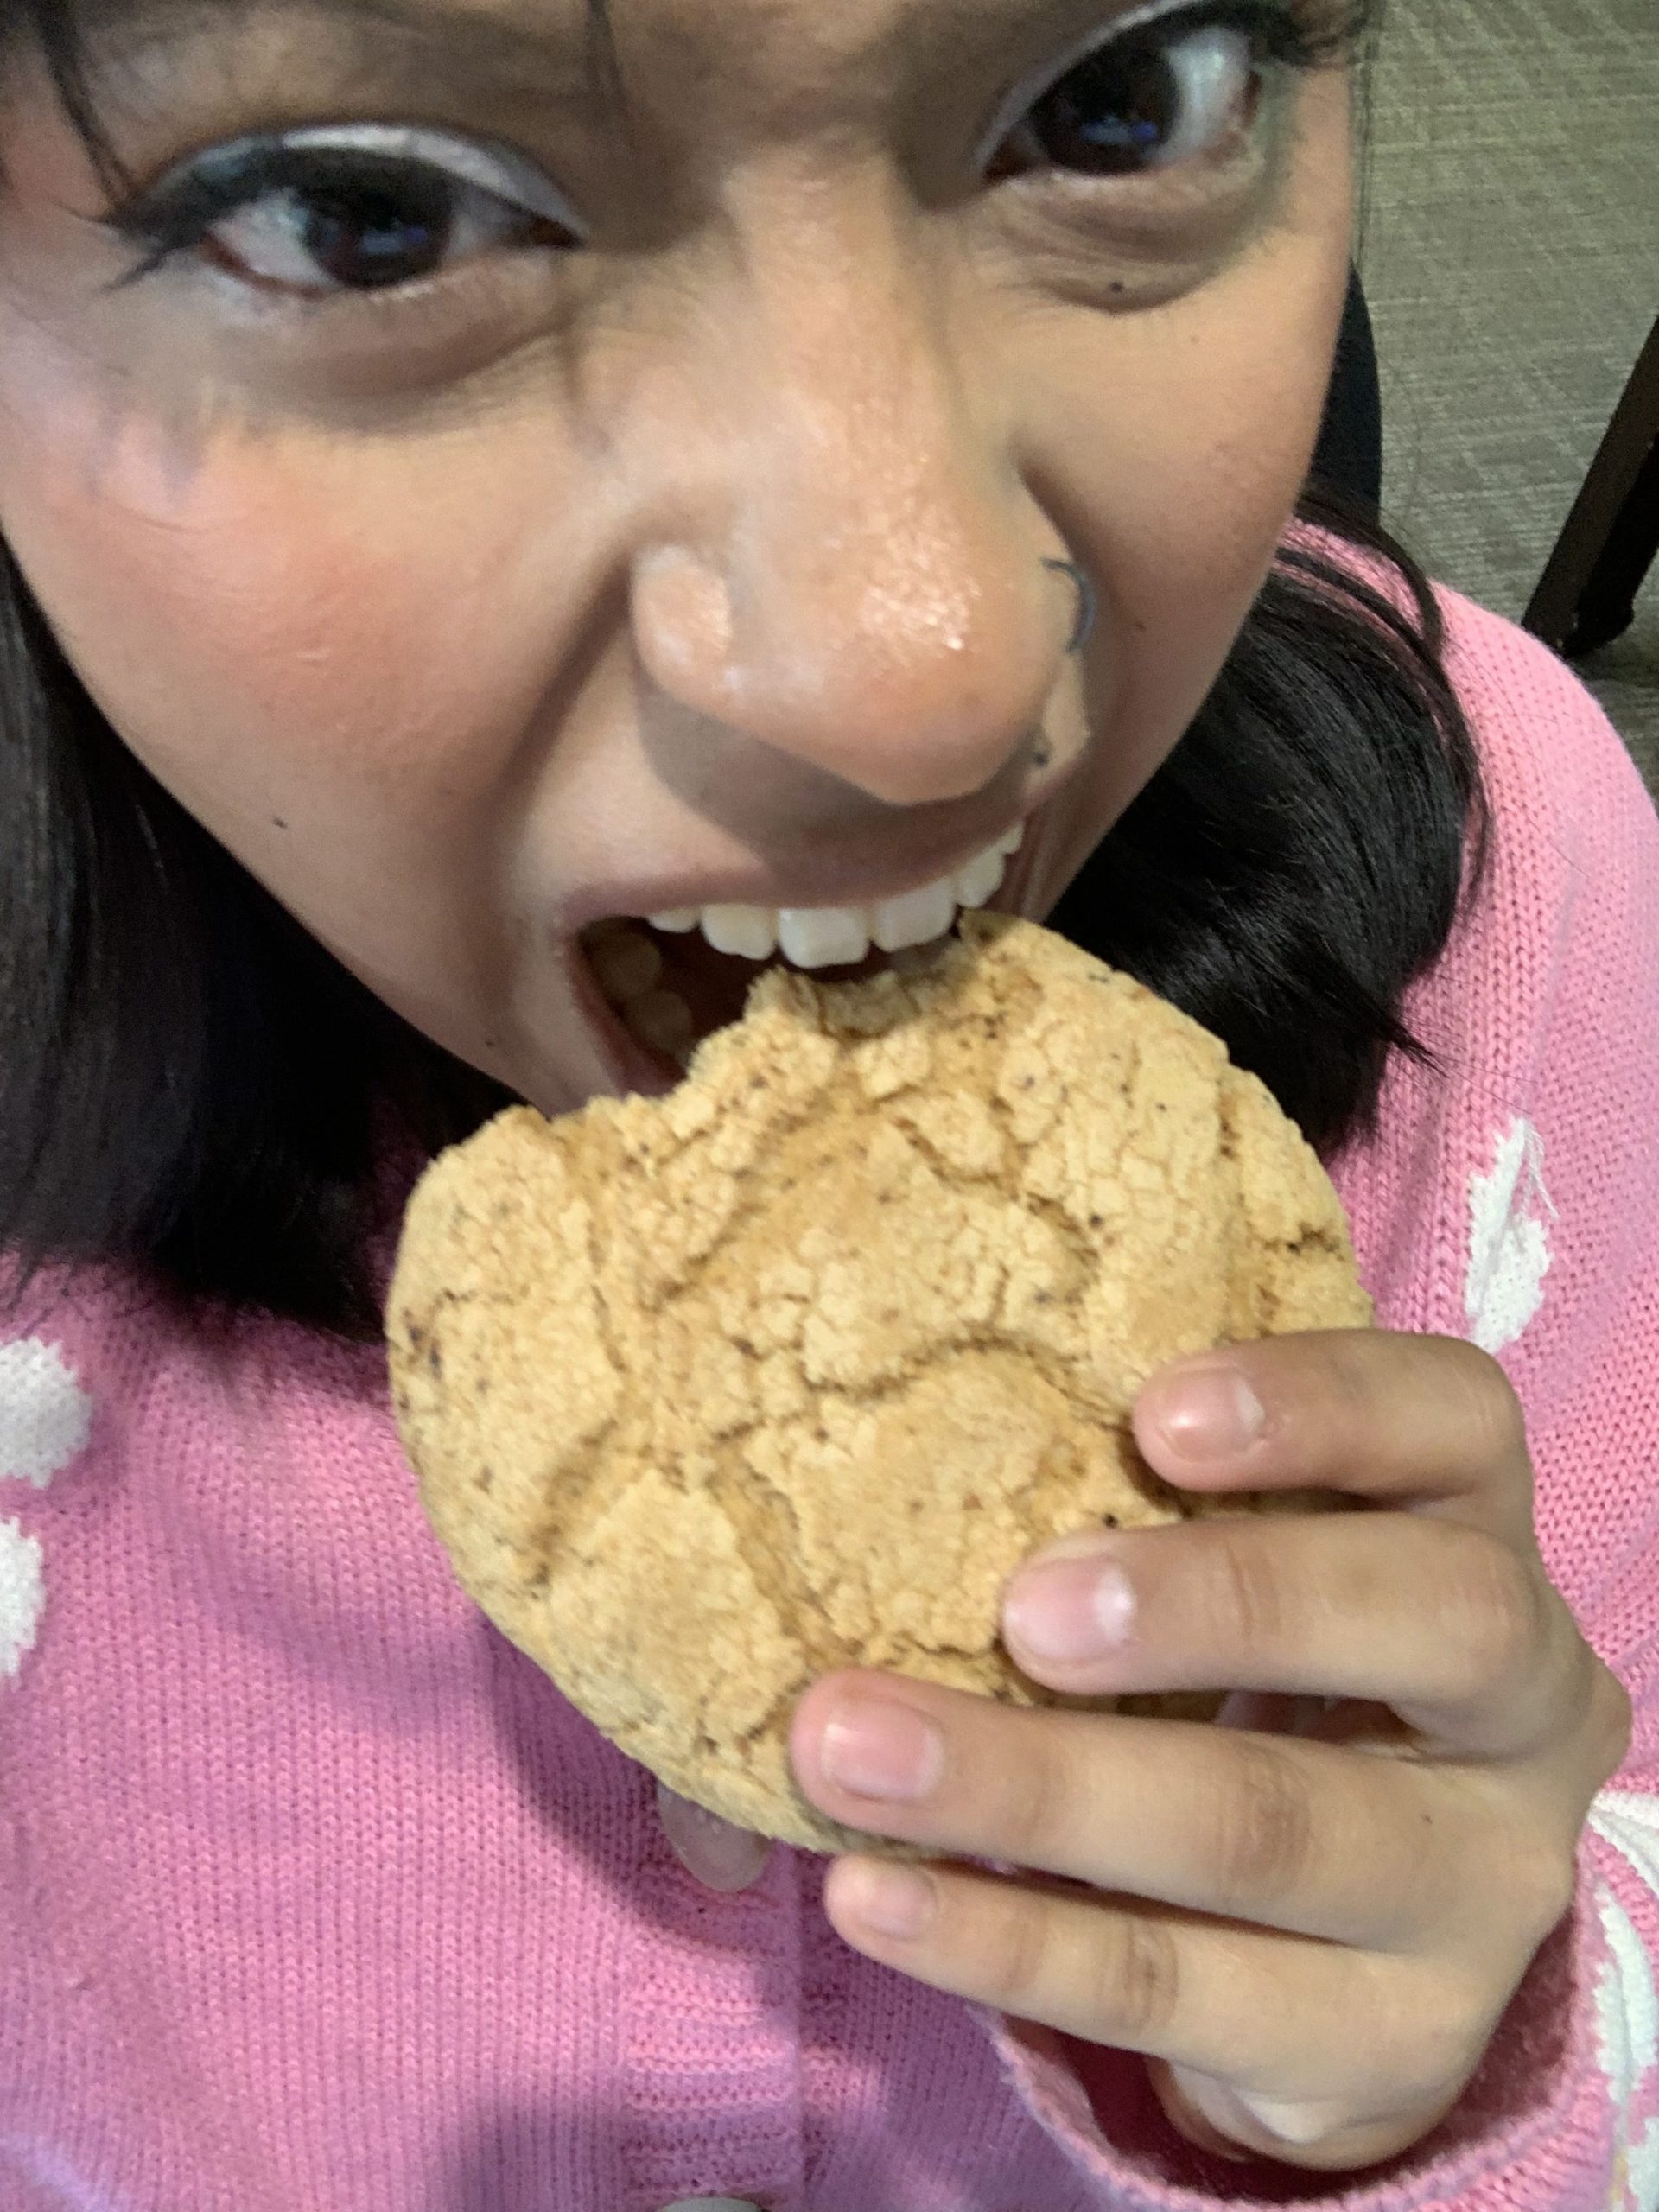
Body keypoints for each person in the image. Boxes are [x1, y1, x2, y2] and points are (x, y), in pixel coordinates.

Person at [0, 0, 1655, 2204]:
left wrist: (1467, 2038)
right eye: (367, 218)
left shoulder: (1510, 889)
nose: (927, 661)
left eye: (1116, 99)